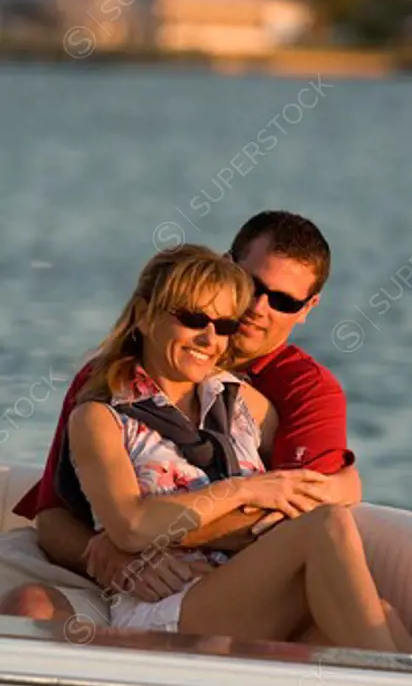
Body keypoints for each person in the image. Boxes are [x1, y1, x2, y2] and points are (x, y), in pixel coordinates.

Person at [0, 211, 360, 626]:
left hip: (220, 581)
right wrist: (114, 554)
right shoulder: (110, 382)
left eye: (282, 301)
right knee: (29, 606)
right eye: (252, 286)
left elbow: (289, 513)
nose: (259, 309)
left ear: (307, 308)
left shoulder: (298, 394)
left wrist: (138, 538)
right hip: (98, 570)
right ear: (228, 268)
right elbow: (54, 517)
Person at [60, 243, 412, 652]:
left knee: (377, 614)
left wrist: (348, 482)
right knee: (325, 528)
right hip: (168, 607)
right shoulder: (101, 417)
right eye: (193, 318)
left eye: (224, 325)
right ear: (144, 316)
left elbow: (315, 487)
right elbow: (131, 526)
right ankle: (405, 682)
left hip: (243, 596)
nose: (209, 338)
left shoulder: (241, 401)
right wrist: (244, 490)